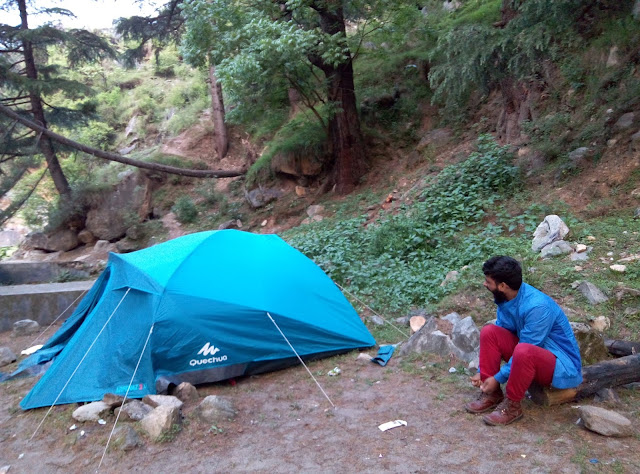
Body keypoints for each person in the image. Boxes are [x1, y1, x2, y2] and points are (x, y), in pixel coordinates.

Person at [465, 256, 582, 425]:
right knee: (490, 331)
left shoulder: (537, 307)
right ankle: (492, 393)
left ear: (503, 286)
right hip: (529, 357)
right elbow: (502, 332)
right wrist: (484, 371)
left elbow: (528, 347)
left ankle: (512, 406)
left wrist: (498, 377)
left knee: (524, 350)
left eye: (488, 282)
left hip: (561, 366)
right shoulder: (506, 298)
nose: (485, 284)